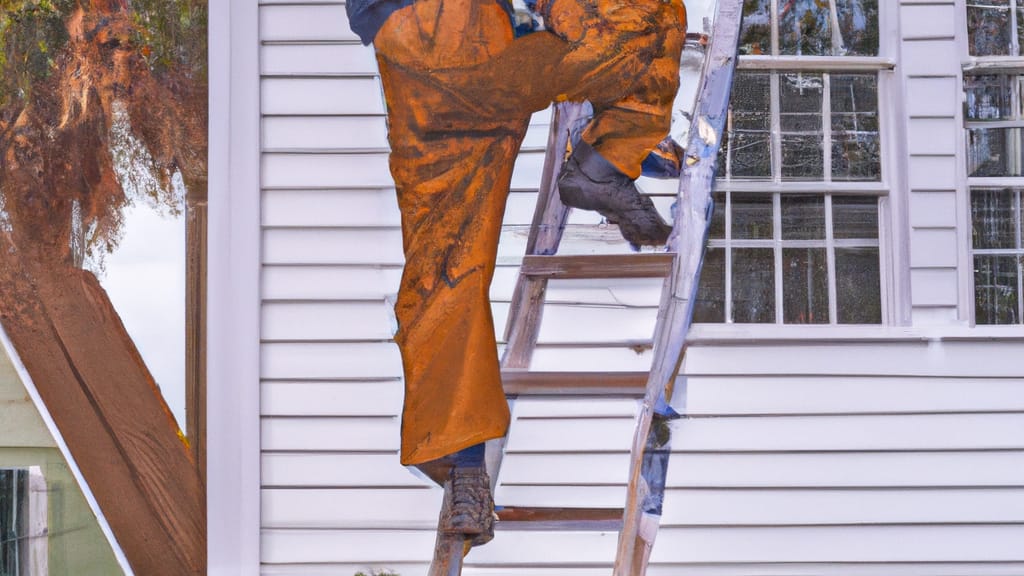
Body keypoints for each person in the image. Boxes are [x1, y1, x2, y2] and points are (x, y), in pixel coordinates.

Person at [346, 0, 687, 547]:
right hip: (466, 31)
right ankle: (609, 156)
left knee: (444, 260)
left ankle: (463, 470)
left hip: (410, 46)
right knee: (651, 17)